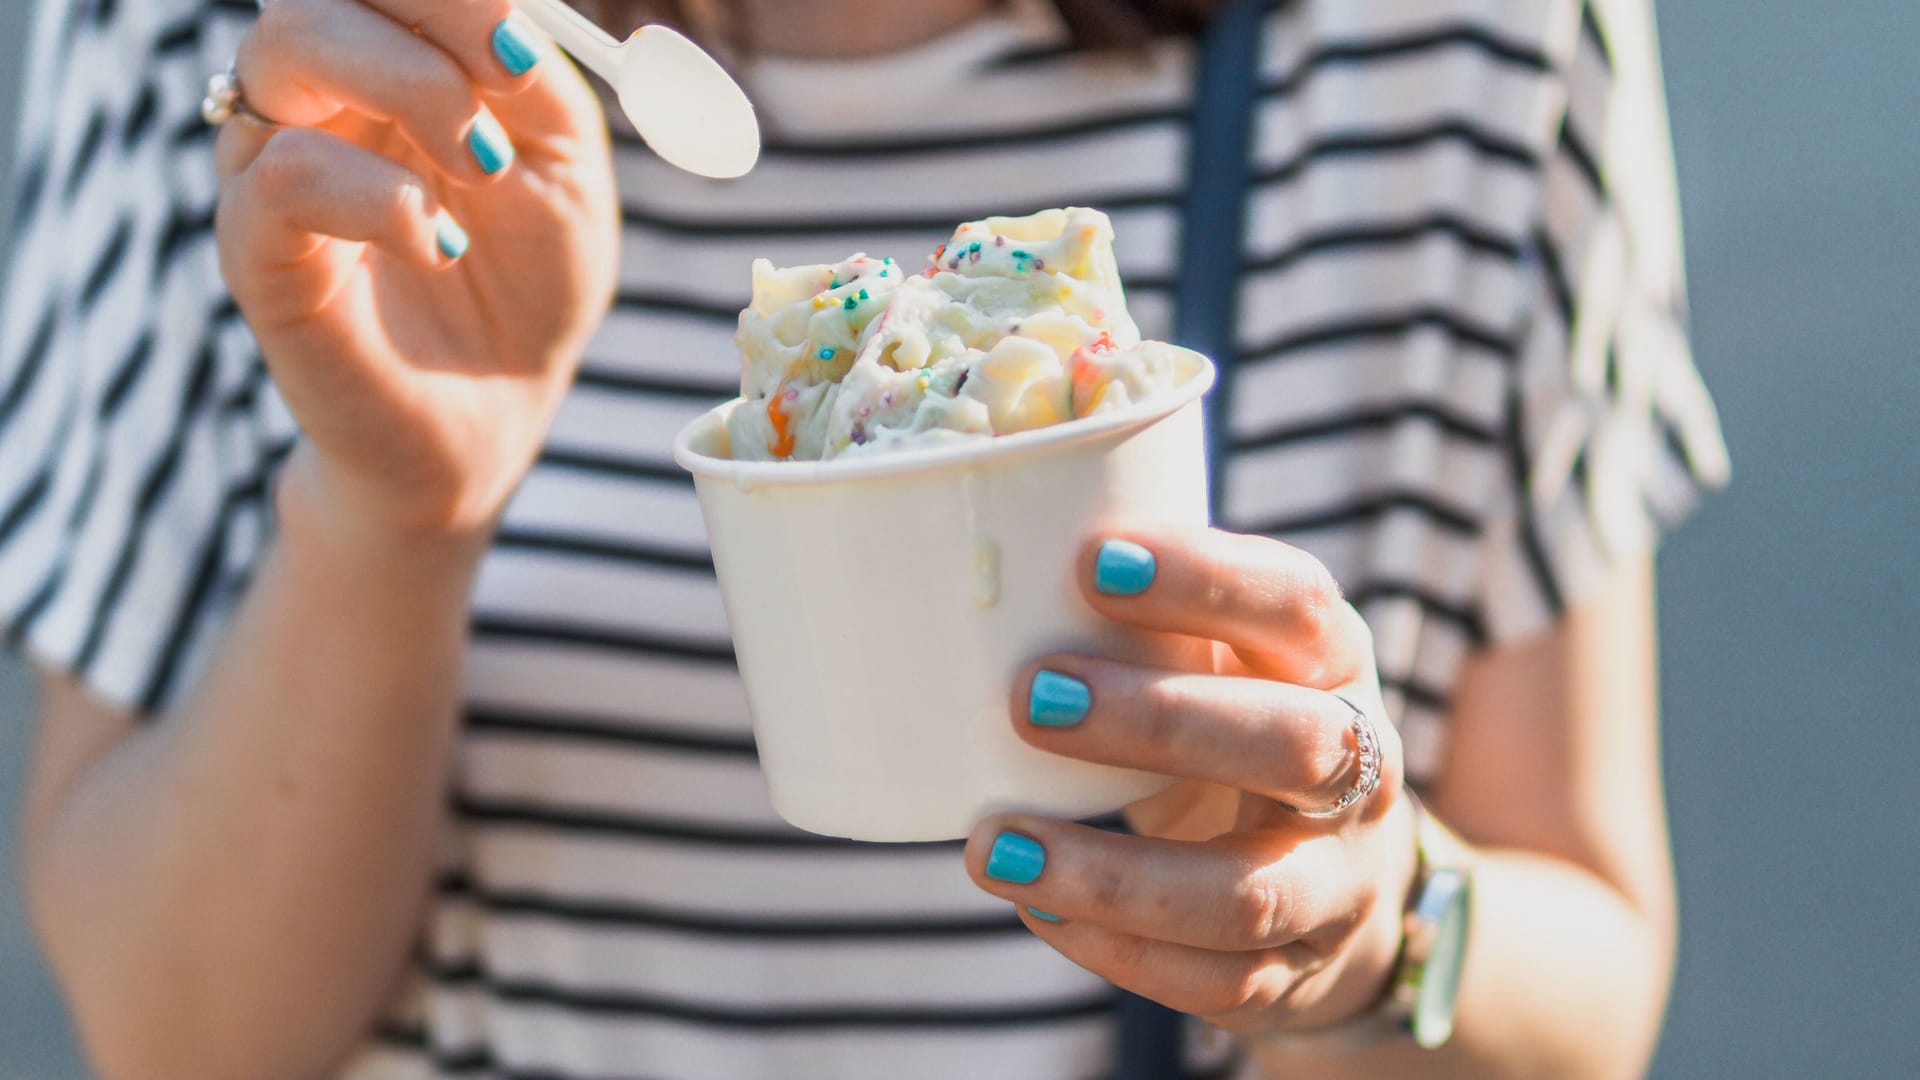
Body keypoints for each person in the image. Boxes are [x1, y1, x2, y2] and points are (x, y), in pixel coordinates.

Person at [0, 0, 1729, 1076]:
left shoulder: (1470, 36)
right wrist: (392, 519)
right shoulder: (261, 52)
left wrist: (1374, 935)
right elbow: (175, 1034)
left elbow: (1592, 972)